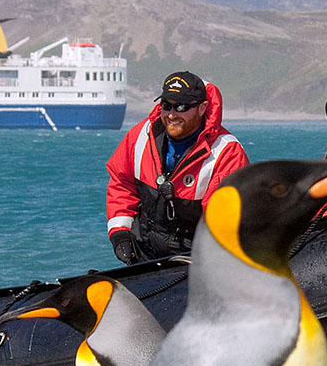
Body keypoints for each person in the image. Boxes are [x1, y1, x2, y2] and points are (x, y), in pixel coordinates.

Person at [106, 71, 250, 264]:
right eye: (166, 105)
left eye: (181, 107)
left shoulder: (226, 153)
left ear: (202, 108)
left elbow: (225, 221)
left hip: (194, 262)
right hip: (142, 256)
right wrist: (120, 234)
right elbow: (121, 184)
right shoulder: (140, 135)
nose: (172, 115)